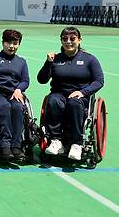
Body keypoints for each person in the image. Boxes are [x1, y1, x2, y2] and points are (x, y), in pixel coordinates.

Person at [37, 26, 104, 161]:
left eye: (72, 38)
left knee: (74, 103)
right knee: (54, 101)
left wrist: (83, 92)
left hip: (80, 96)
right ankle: (56, 141)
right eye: (65, 39)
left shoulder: (90, 59)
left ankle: (76, 144)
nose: (68, 42)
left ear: (79, 40)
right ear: (61, 41)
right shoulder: (56, 59)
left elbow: (99, 81)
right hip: (59, 94)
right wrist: (48, 63)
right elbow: (42, 80)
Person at [0, 29, 30, 159]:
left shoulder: (21, 62)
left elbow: (25, 80)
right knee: (4, 106)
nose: (11, 46)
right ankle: (4, 144)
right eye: (8, 43)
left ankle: (16, 145)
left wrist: (19, 89)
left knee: (17, 107)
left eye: (15, 43)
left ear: (19, 44)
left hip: (13, 93)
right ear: (3, 42)